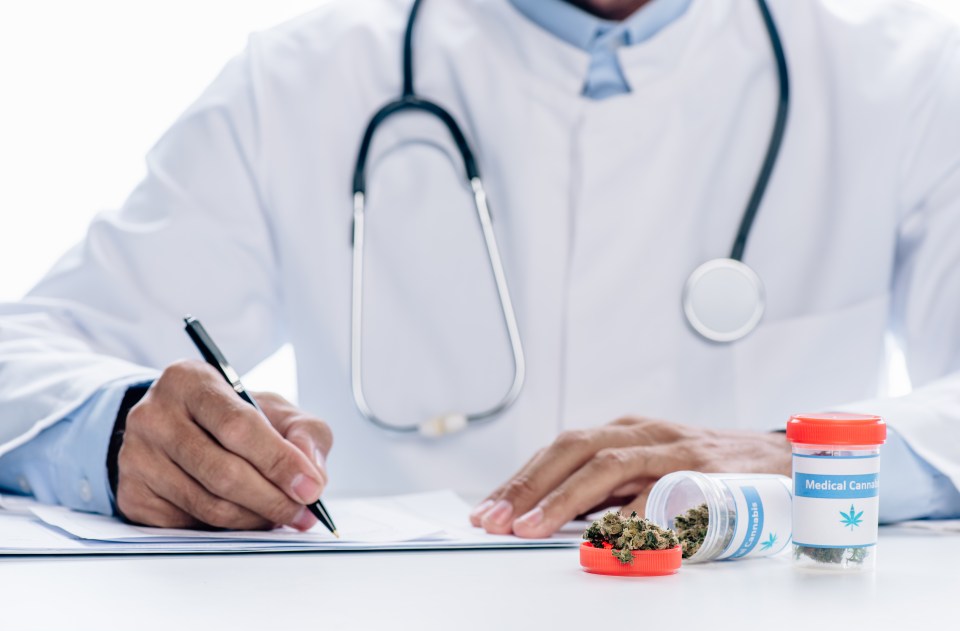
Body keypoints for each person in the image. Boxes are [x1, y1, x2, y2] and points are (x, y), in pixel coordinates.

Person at [1, 0, 960, 537]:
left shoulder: (904, 75)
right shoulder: (298, 82)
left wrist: (804, 456)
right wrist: (123, 432)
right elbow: (27, 352)